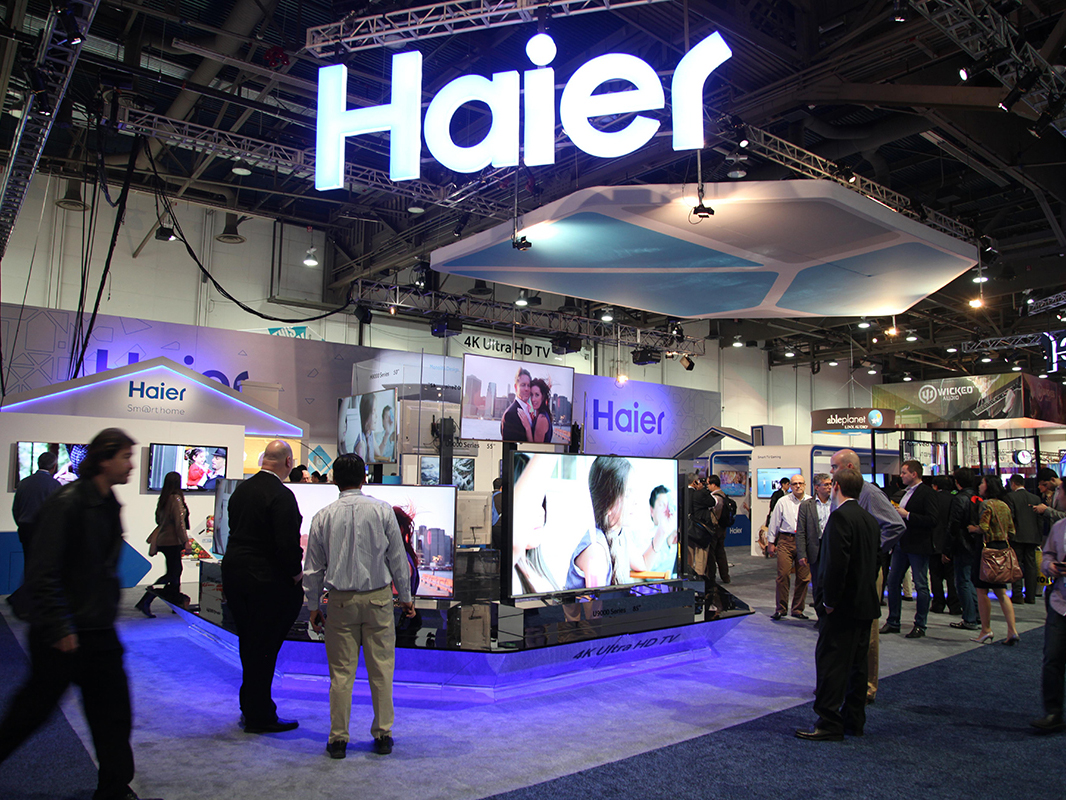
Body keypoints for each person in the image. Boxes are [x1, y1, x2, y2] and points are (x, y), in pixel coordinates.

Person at [0, 428, 163, 800]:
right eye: (125, 457)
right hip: (63, 632)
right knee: (31, 712)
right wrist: (60, 626)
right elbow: (43, 571)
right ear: (104, 459)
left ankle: (114, 789)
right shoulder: (67, 503)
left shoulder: (108, 503)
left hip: (98, 629)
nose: (131, 465)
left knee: (113, 714)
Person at [304, 454, 414, 759]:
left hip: (340, 602)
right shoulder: (382, 511)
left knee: (341, 675)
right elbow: (398, 560)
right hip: (379, 600)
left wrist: (313, 606)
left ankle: (338, 739)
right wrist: (406, 598)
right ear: (364, 478)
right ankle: (383, 735)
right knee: (382, 670)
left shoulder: (323, 516)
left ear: (334, 480)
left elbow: (313, 569)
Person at [221, 440, 304, 734]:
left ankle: (251, 706)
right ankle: (260, 714)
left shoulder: (241, 490)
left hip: (235, 574)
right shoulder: (281, 496)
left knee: (249, 644)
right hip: (266, 582)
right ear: (288, 462)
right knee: (265, 648)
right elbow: (286, 544)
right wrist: (296, 575)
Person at [796, 468, 881, 742]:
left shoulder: (840, 518)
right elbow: (876, 560)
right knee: (858, 666)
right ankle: (854, 720)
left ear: (836, 488)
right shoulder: (869, 519)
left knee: (831, 664)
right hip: (865, 604)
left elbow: (835, 565)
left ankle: (829, 722)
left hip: (842, 607)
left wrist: (829, 602)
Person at [829, 449, 904, 705]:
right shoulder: (839, 493)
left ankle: (867, 686)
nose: (831, 472)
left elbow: (895, 525)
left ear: (848, 467)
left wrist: (871, 550)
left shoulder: (869, 492)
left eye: (834, 466)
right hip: (847, 567)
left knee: (866, 629)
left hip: (866, 570)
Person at [882, 461, 937, 639]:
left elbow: (932, 519)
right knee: (893, 582)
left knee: (920, 585)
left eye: (904, 473)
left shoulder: (927, 493)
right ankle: (893, 621)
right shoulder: (905, 493)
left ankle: (920, 624)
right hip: (902, 543)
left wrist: (908, 515)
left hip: (918, 545)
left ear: (914, 474)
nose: (901, 476)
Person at [7, 451, 61, 618]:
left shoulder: (24, 483)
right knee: (42, 568)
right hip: (44, 532)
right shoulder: (54, 485)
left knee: (29, 564)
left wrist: (21, 524)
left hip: (25, 529)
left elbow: (16, 509)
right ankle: (24, 601)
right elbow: (58, 512)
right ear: (53, 466)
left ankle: (22, 599)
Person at [970, 475, 1020, 645]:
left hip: (986, 550)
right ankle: (1012, 630)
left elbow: (984, 527)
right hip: (1002, 548)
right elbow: (1011, 531)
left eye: (982, 483)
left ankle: (986, 630)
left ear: (988, 486)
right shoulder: (1004, 505)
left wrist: (973, 529)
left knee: (982, 590)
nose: (980, 485)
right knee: (1001, 591)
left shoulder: (986, 504)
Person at [135, 471, 192, 618]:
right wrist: (185, 541)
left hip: (164, 540)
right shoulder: (176, 499)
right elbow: (180, 523)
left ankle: (175, 604)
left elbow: (158, 520)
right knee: (174, 573)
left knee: (173, 573)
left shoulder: (164, 499)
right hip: (173, 541)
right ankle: (150, 599)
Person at [1031, 516, 1066, 734]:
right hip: (1059, 602)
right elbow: (1048, 554)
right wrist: (1049, 566)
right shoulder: (1059, 527)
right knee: (1052, 658)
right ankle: (1053, 712)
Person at [512, 454, 561, 594]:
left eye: (540, 501)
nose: (541, 512)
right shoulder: (511, 576)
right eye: (530, 503)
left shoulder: (539, 569)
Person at [767, 474, 810, 620]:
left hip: (804, 542)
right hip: (786, 540)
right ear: (790, 486)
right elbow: (774, 522)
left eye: (800, 483)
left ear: (805, 485)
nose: (798, 486)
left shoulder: (810, 501)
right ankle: (781, 608)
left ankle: (798, 609)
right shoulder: (783, 501)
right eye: (795, 483)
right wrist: (771, 542)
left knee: (803, 577)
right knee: (783, 574)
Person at [946, 467, 981, 632]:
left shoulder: (959, 499)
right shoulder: (977, 497)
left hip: (962, 544)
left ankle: (969, 618)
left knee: (963, 581)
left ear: (957, 481)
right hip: (975, 543)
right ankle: (976, 614)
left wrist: (947, 548)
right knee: (970, 580)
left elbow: (954, 525)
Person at [796, 472, 832, 616]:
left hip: (832, 547)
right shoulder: (806, 506)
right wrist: (802, 554)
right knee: (818, 584)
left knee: (832, 582)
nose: (829, 487)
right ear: (817, 487)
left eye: (830, 484)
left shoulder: (836, 503)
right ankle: (821, 616)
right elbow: (801, 531)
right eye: (826, 484)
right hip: (815, 549)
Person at [1006, 474, 1044, 604]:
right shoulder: (1035, 498)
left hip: (1017, 536)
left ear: (1013, 484)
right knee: (1031, 565)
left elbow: (1010, 518)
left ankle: (1017, 594)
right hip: (1032, 536)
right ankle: (1031, 595)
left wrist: (1010, 534)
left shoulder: (1011, 497)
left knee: (1016, 565)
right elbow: (1040, 519)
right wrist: (1039, 536)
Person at [929, 475, 961, 615]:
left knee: (935, 575)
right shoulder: (955, 499)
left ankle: (938, 603)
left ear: (935, 486)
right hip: (951, 542)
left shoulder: (932, 499)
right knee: (952, 576)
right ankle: (954, 605)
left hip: (934, 541)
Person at [706, 476, 730, 585]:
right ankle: (725, 576)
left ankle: (711, 577)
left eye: (708, 484)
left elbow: (713, 515)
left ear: (713, 485)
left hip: (715, 528)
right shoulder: (724, 495)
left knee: (711, 554)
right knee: (721, 553)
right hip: (722, 528)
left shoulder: (715, 498)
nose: (707, 486)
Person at [500, 367, 533, 442]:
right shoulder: (510, 414)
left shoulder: (528, 411)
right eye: (523, 385)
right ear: (516, 387)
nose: (526, 389)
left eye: (528, 385)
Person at [517, 377, 553, 443]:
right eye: (531, 395)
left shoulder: (542, 418)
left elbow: (535, 447)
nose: (533, 399)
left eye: (537, 395)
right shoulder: (541, 415)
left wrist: (527, 426)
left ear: (543, 397)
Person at [353, 393, 381, 463]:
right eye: (373, 412)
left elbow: (378, 453)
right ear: (366, 414)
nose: (376, 416)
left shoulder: (370, 434)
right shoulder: (361, 443)